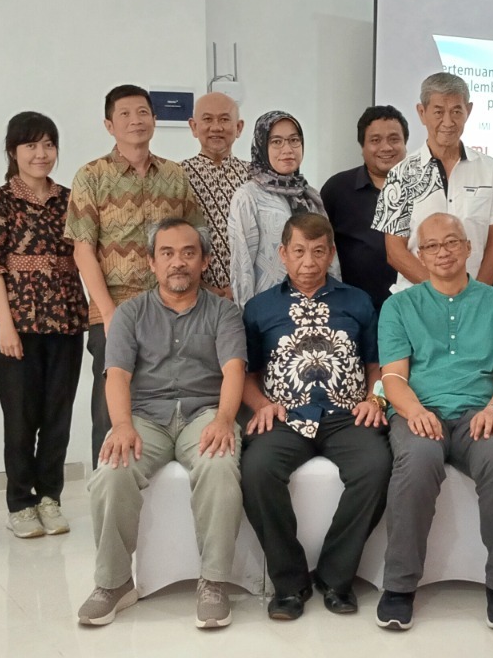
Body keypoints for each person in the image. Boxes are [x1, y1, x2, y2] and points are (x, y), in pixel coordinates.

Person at [79, 218, 246, 630]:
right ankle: (114, 583)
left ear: (204, 261)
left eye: (189, 253)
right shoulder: (130, 313)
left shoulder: (224, 312)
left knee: (220, 466)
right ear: (152, 263)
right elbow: (117, 376)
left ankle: (214, 582)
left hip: (205, 414)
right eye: (167, 254)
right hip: (145, 417)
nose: (178, 262)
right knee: (111, 472)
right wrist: (121, 426)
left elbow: (234, 370)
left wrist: (225, 419)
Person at [375, 213, 493, 632]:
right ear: (420, 255)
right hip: (418, 412)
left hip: (480, 414)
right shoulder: (399, 306)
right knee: (417, 462)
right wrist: (414, 411)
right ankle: (399, 586)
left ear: (468, 247)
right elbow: (393, 377)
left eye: (451, 242)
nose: (442, 252)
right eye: (431, 246)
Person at [240, 212, 389, 620]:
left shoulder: (358, 301)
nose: (309, 262)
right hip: (284, 416)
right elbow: (246, 376)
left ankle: (335, 577)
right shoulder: (258, 308)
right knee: (256, 470)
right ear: (282, 254)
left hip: (348, 414)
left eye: (319, 251)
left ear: (331, 253)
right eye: (300, 251)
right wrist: (261, 405)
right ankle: (289, 584)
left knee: (376, 466)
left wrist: (374, 400)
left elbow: (377, 365)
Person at [68, 84, 205, 467]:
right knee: (110, 409)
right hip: (114, 308)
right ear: (109, 125)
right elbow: (83, 250)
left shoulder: (175, 175)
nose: (135, 120)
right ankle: (108, 485)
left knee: (169, 397)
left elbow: (195, 239)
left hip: (171, 308)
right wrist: (109, 312)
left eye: (142, 112)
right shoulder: (91, 176)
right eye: (125, 114)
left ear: (154, 119)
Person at [0, 111, 87, 539]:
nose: (41, 153)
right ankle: (20, 503)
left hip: (65, 319)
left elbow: (84, 254)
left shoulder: (69, 199)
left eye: (48, 144)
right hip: (19, 324)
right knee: (21, 418)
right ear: (13, 151)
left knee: (58, 415)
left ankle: (50, 498)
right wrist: (5, 326)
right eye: (31, 145)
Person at [372, 72, 493, 293]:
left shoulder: (490, 170)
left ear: (468, 111)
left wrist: (473, 295)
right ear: (422, 113)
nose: (448, 122)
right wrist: (440, 292)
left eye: (456, 111)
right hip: (417, 298)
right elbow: (395, 251)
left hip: (474, 300)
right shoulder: (400, 174)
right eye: (439, 112)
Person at [227, 110, 337, 305]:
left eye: (294, 140)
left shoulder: (310, 195)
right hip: (270, 310)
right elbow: (242, 269)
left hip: (316, 307)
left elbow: (329, 257)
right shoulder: (248, 197)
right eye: (276, 142)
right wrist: (248, 315)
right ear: (262, 146)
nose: (287, 149)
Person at [322, 106, 408, 311]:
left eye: (394, 139)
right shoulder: (337, 189)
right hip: (354, 310)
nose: (386, 147)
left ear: (405, 143)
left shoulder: (424, 187)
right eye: (375, 140)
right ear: (362, 146)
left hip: (414, 308)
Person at [181, 92, 250, 299]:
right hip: (192, 293)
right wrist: (203, 287)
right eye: (208, 119)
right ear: (194, 127)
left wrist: (241, 286)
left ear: (239, 127)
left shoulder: (256, 177)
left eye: (224, 119)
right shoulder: (177, 175)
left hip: (250, 292)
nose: (216, 127)